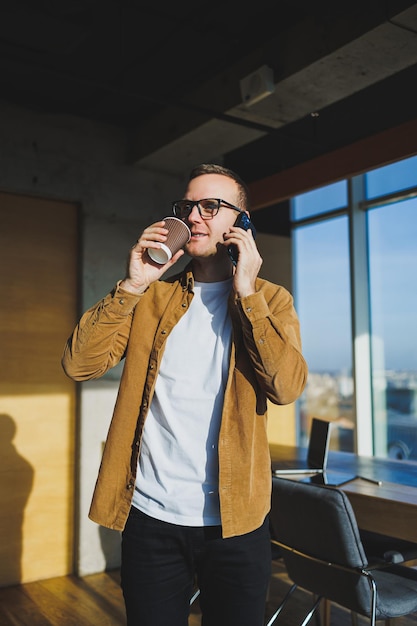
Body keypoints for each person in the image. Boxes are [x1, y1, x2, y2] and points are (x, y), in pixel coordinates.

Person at [62, 163, 308, 626]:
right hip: (151, 518)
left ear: (242, 222)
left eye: (211, 206)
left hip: (236, 524)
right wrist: (134, 283)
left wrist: (247, 292)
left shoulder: (271, 300)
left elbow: (287, 387)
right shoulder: (152, 297)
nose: (194, 215)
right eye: (187, 205)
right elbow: (80, 364)